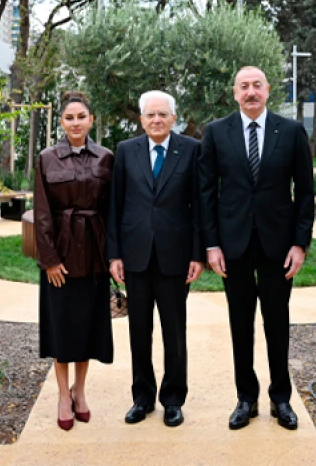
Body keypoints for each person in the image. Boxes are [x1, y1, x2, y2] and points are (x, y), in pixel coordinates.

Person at [199, 66, 315, 431]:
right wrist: (211, 244)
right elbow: (206, 192)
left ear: (268, 90)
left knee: (277, 322)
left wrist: (300, 243)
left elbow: (305, 192)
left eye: (257, 86)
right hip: (232, 244)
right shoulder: (216, 132)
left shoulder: (291, 131)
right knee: (240, 322)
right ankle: (245, 398)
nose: (251, 92)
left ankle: (281, 398)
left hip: (278, 245)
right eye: (244, 86)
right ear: (234, 93)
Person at [106, 90, 203, 428]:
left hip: (176, 258)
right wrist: (114, 255)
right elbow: (115, 205)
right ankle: (142, 398)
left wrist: (197, 254)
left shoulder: (190, 150)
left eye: (163, 114)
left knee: (174, 333)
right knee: (139, 332)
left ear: (174, 118)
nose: (157, 120)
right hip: (135, 256)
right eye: (151, 115)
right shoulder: (126, 151)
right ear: (142, 119)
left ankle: (173, 400)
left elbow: (199, 205)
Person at [33, 92, 115, 432]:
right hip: (61, 257)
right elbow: (41, 212)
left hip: (94, 255)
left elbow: (111, 210)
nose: (76, 122)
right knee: (62, 327)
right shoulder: (46, 158)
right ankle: (62, 395)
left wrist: (113, 256)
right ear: (61, 122)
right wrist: (50, 260)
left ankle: (79, 392)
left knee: (87, 327)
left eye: (81, 116)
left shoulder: (106, 158)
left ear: (91, 120)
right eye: (69, 117)